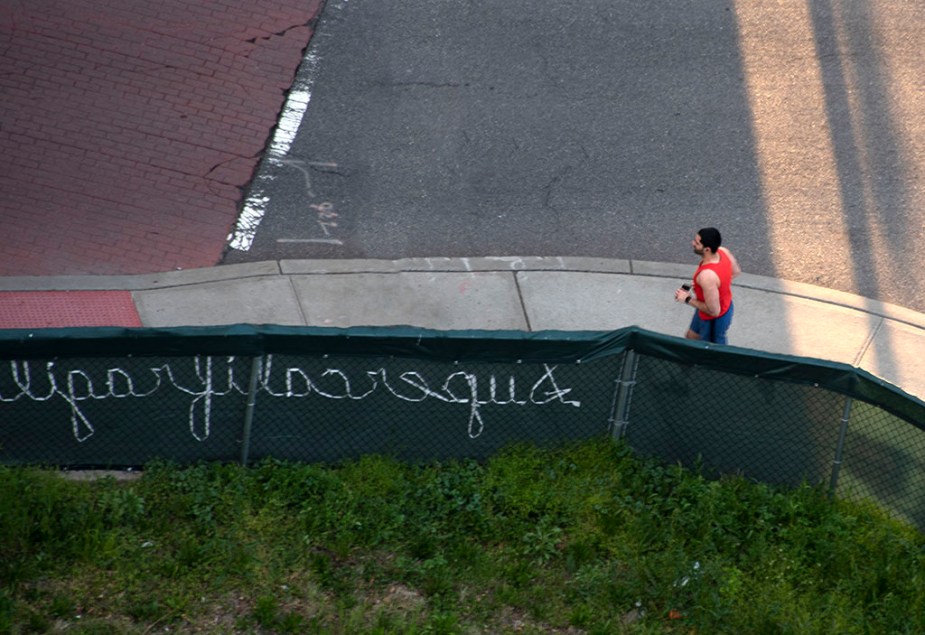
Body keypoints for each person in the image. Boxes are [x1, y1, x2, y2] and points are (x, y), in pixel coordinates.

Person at [674, 227, 741, 344]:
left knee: (709, 348)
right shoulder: (723, 251)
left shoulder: (707, 276)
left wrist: (687, 298)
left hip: (713, 319)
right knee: (691, 336)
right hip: (716, 305)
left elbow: (714, 311)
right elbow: (735, 272)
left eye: (697, 243)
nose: (693, 243)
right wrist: (711, 288)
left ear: (707, 249)